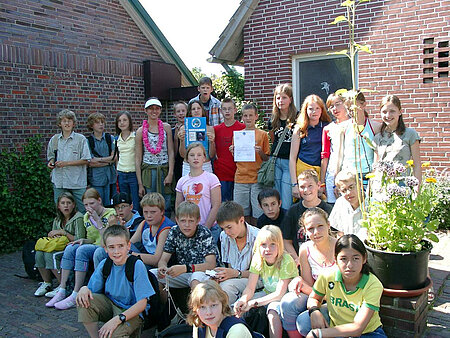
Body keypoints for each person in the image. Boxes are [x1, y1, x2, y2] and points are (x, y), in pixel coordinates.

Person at [296, 235, 387, 338]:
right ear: (335, 259)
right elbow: (314, 298)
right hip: (337, 330)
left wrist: (319, 334)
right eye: (343, 259)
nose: (350, 265)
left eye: (355, 258)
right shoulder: (327, 275)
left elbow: (357, 328)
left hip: (367, 333)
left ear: (364, 258)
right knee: (303, 321)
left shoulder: (373, 285)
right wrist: (314, 311)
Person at [76, 224, 155, 338]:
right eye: (112, 247)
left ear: (128, 246)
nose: (116, 251)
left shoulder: (136, 265)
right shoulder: (105, 264)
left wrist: (118, 319)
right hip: (111, 304)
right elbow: (91, 290)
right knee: (84, 300)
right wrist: (83, 289)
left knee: (113, 334)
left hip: (131, 311)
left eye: (120, 246)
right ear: (105, 249)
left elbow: (142, 304)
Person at [45, 188, 116, 310]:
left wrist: (97, 220)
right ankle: (63, 289)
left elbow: (107, 239)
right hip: (94, 245)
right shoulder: (86, 217)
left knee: (85, 251)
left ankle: (78, 293)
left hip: (106, 248)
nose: (89, 207)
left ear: (99, 200)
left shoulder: (110, 214)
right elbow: (92, 239)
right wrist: (83, 241)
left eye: (92, 203)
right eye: (86, 204)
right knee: (71, 248)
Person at [280, 208, 337, 338]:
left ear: (328, 225)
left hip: (336, 300)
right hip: (316, 296)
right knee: (288, 303)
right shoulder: (305, 249)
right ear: (304, 231)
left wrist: (314, 299)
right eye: (311, 229)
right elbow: (310, 285)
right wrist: (300, 282)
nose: (316, 232)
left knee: (303, 322)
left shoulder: (340, 247)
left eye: (320, 226)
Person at [234, 225, 298, 338]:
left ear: (280, 245)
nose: (268, 249)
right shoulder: (258, 258)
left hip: (286, 296)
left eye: (273, 244)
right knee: (238, 308)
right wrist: (243, 300)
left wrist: (253, 303)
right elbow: (250, 288)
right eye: (263, 245)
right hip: (267, 292)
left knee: (272, 311)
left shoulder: (286, 260)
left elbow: (279, 294)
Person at [153, 201, 217, 299]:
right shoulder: (174, 231)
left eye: (191, 221)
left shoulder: (204, 233)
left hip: (203, 272)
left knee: (196, 279)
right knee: (152, 274)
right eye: (183, 221)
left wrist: (186, 268)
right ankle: (163, 311)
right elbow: (163, 259)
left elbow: (211, 264)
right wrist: (163, 267)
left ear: (198, 220)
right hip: (183, 272)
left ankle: (195, 312)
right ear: (177, 220)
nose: (187, 225)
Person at [34, 192, 85, 297]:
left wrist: (64, 233)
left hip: (71, 247)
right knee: (39, 253)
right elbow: (53, 236)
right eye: (63, 203)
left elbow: (80, 238)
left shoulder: (78, 218)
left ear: (74, 205)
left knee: (50, 255)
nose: (66, 205)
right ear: (58, 206)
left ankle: (63, 286)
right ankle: (47, 282)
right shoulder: (57, 219)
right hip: (59, 246)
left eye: (68, 203)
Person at [281, 170, 333, 265]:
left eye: (310, 186)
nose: (306, 190)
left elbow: (336, 236)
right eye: (302, 187)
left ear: (318, 185)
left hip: (325, 260)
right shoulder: (292, 211)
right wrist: (297, 259)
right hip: (301, 260)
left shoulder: (329, 210)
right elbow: (286, 241)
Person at [231, 103, 270, 226]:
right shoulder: (237, 135)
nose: (248, 118)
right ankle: (246, 234)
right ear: (242, 117)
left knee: (258, 212)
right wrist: (233, 152)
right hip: (241, 178)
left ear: (256, 116)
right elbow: (236, 159)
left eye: (251, 115)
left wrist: (260, 152)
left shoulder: (262, 134)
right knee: (241, 212)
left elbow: (266, 158)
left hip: (257, 178)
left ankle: (256, 235)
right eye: (245, 116)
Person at [215, 201, 260, 304]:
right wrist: (224, 274)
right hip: (235, 277)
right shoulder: (224, 236)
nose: (226, 232)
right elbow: (230, 266)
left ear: (241, 220)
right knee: (202, 279)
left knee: (227, 286)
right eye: (223, 228)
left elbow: (260, 274)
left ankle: (227, 317)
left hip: (254, 280)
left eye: (229, 227)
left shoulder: (259, 236)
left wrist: (236, 274)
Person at [135, 97, 174, 216]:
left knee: (166, 201)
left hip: (164, 168)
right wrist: (140, 183)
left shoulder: (166, 127)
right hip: (149, 170)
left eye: (157, 108)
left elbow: (171, 152)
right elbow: (138, 158)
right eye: (151, 108)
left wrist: (170, 173)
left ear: (160, 110)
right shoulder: (140, 131)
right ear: (146, 111)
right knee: (150, 201)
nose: (154, 111)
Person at [176, 143, 221, 242]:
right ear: (187, 159)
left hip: (209, 227)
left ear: (204, 158)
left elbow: (216, 205)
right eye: (192, 155)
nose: (195, 158)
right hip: (189, 229)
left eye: (199, 155)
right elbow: (178, 207)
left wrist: (205, 229)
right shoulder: (182, 181)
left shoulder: (212, 178)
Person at [47, 109, 91, 213]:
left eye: (69, 120)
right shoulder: (55, 139)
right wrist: (51, 163)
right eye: (64, 121)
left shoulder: (81, 139)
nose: (67, 123)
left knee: (83, 211)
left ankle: (83, 229)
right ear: (60, 123)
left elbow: (86, 159)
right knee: (61, 213)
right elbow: (51, 156)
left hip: (77, 182)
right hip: (59, 182)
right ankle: (63, 230)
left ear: (73, 123)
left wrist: (66, 163)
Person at [289, 95, 331, 200]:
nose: (314, 111)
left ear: (322, 110)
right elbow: (292, 158)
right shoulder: (300, 129)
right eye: (311, 109)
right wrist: (294, 184)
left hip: (321, 170)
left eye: (317, 108)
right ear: (305, 110)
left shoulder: (328, 127)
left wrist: (323, 183)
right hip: (303, 169)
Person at [373, 94, 422, 183]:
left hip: (402, 186)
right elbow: (375, 166)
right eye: (384, 112)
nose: (388, 115)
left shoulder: (410, 134)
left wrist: (416, 190)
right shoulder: (378, 138)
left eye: (392, 111)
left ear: (400, 112)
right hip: (381, 187)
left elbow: (417, 165)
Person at [340, 91, 382, 188]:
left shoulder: (375, 127)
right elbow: (340, 154)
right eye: (348, 109)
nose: (351, 112)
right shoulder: (344, 127)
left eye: (354, 108)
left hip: (368, 174)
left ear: (363, 104)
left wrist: (374, 174)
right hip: (349, 174)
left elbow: (378, 152)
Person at [92, 192, 144, 267]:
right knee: (99, 251)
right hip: (118, 251)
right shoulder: (114, 220)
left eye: (123, 206)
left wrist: (118, 228)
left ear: (131, 206)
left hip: (135, 253)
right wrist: (110, 227)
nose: (120, 210)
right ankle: (101, 277)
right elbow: (103, 244)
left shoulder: (139, 222)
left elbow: (128, 245)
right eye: (117, 207)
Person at [188, 280, 253, 338]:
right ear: (195, 309)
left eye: (213, 305)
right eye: (202, 307)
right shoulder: (198, 323)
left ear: (223, 304)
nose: (208, 312)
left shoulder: (237, 331)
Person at [268, 84, 298, 210]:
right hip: (275, 162)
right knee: (276, 198)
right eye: (278, 98)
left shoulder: (297, 117)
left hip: (289, 163)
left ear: (290, 99)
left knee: (286, 201)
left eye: (284, 97)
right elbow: (273, 140)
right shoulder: (273, 119)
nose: (281, 101)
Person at [129, 192, 175, 267]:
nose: (148, 216)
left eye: (153, 212)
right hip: (146, 258)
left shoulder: (166, 228)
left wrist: (131, 254)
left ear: (162, 211)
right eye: (145, 212)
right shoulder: (144, 223)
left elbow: (156, 259)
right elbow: (130, 244)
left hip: (159, 266)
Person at [320, 93, 350, 204]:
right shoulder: (328, 129)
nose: (335, 109)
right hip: (332, 174)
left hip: (349, 171)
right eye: (331, 106)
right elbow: (325, 155)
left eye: (338, 104)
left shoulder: (354, 124)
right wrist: (322, 182)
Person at [214, 98, 246, 202]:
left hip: (238, 172)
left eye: (230, 109)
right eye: (224, 109)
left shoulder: (243, 128)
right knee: (223, 204)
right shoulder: (216, 129)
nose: (227, 111)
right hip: (221, 173)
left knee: (237, 204)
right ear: (221, 111)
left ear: (235, 110)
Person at [178, 100, 216, 176]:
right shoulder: (184, 128)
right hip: (188, 166)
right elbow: (182, 155)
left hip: (205, 165)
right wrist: (182, 141)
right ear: (190, 112)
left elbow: (212, 155)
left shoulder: (210, 129)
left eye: (198, 108)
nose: (196, 111)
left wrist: (212, 142)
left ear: (202, 110)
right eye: (193, 109)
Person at [86, 112, 117, 206]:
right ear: (91, 125)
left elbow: (114, 157)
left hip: (110, 177)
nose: (101, 124)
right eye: (97, 122)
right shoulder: (88, 141)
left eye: (102, 122)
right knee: (97, 204)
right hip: (96, 179)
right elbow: (90, 162)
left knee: (110, 204)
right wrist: (108, 162)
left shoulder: (110, 138)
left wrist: (99, 160)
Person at [329, 171, 367, 241]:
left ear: (360, 184)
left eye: (351, 187)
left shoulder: (373, 204)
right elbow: (338, 233)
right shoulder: (340, 203)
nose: (348, 193)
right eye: (344, 190)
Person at [115, 111, 141, 214]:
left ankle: (137, 223)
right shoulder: (117, 139)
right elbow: (118, 156)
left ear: (130, 121)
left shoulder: (135, 137)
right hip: (121, 173)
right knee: (124, 202)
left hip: (133, 173)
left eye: (125, 120)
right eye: (119, 121)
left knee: (135, 202)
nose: (122, 123)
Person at [172, 101, 188, 183]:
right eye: (178, 111)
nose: (181, 113)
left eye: (183, 111)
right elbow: (174, 150)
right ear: (175, 114)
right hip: (178, 162)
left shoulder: (191, 129)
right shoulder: (172, 131)